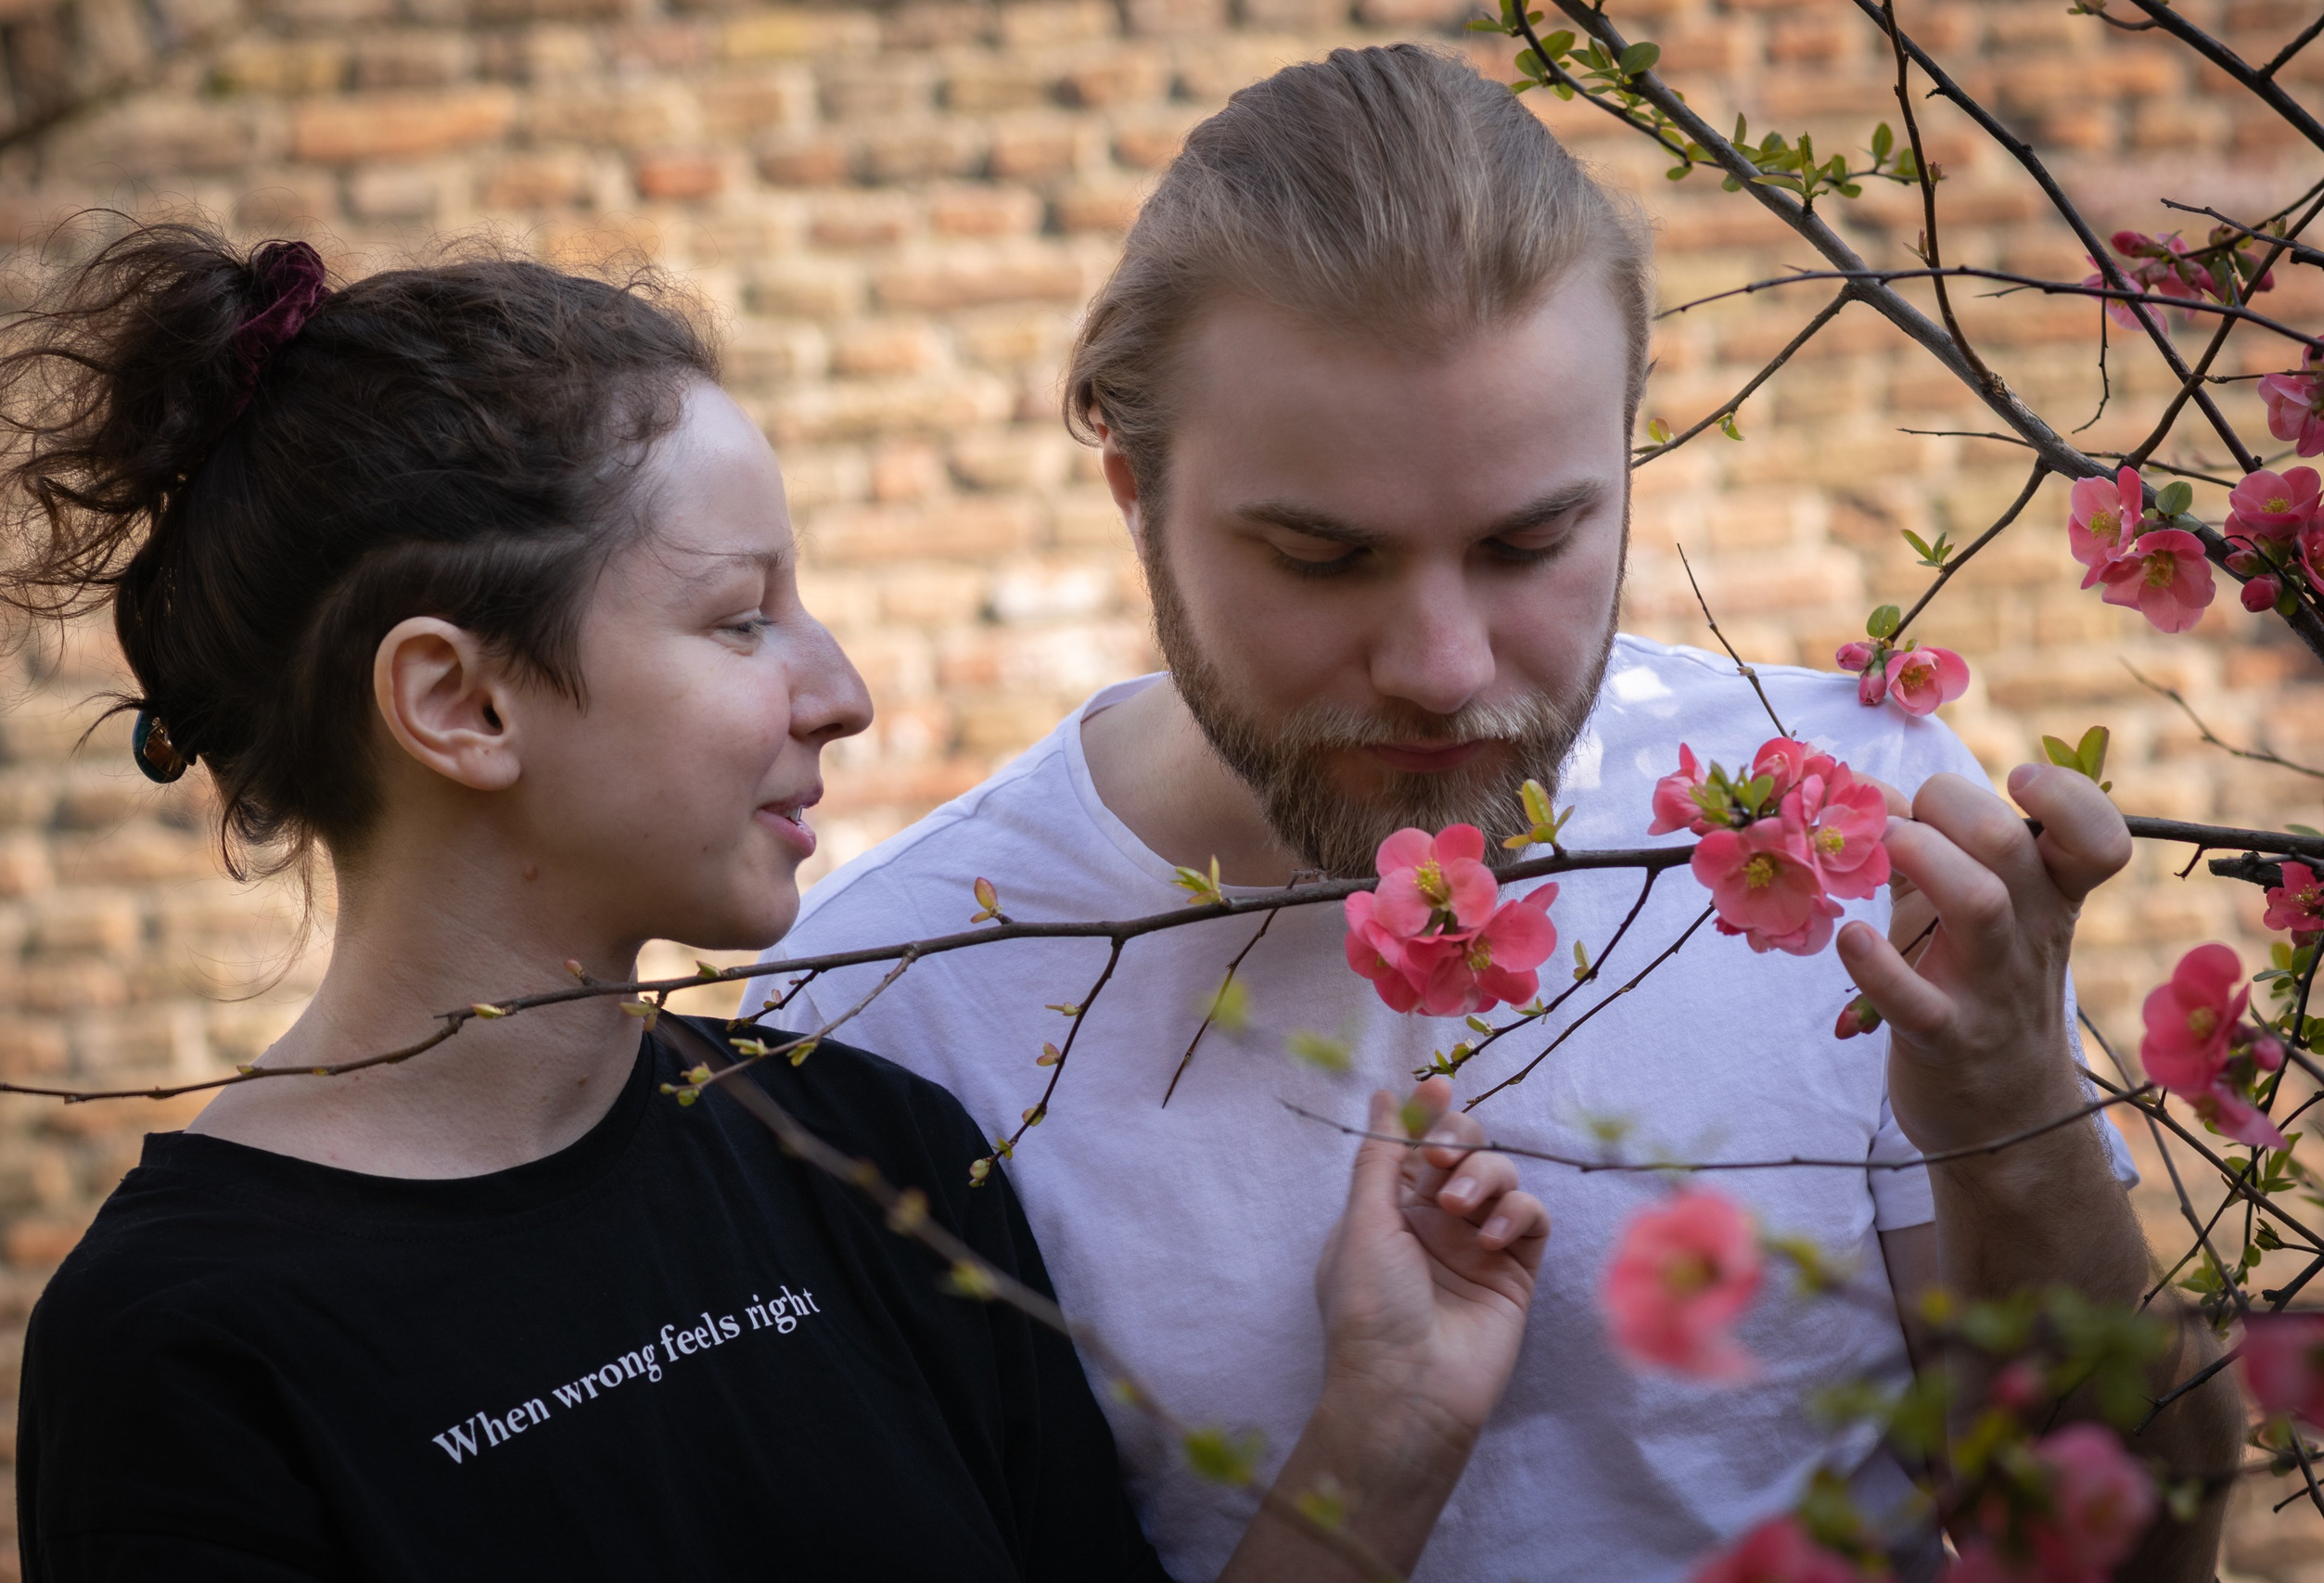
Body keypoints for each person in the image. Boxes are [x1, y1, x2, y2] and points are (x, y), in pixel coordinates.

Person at [758, 43, 2241, 1583]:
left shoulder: (1838, 822)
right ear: (1135, 491)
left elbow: (2128, 1556)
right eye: (1324, 561)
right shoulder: (882, 1005)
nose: (1443, 671)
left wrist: (2011, 1124)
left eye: (1533, 541)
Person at [0, 221, 1559, 1581]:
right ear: (460, 705)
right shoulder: (186, 1349)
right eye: (743, 620)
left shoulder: (876, 1158)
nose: (842, 692)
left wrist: (1385, 1438)